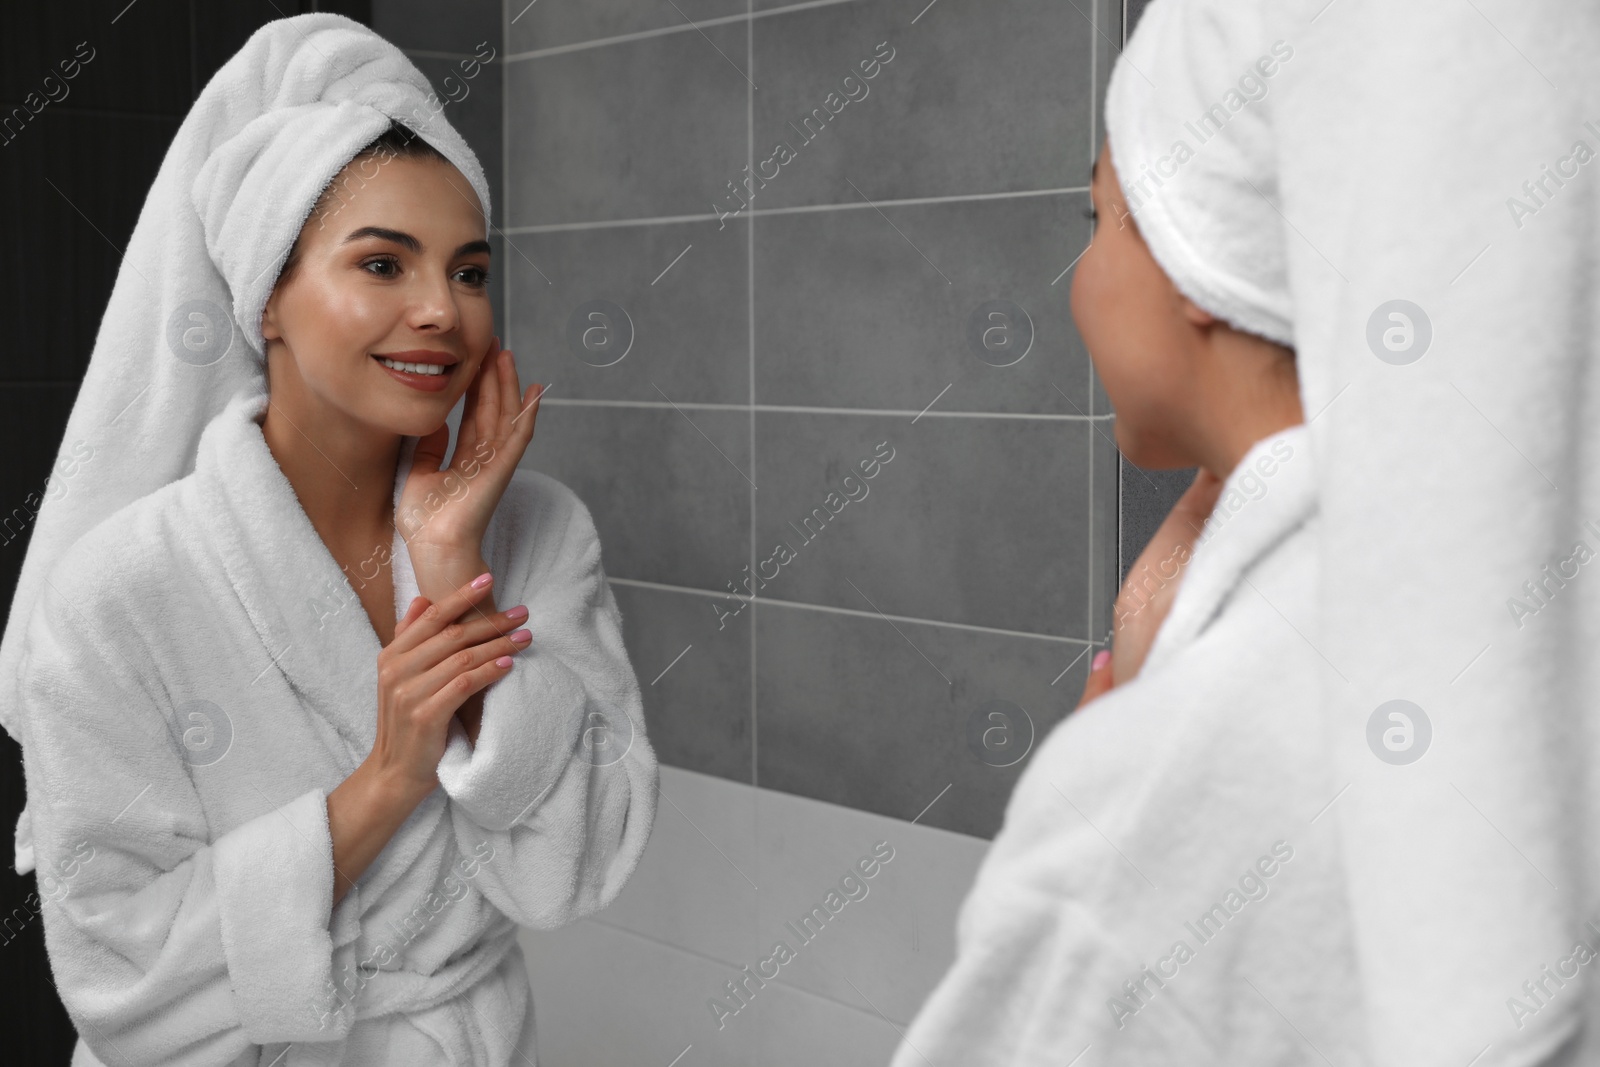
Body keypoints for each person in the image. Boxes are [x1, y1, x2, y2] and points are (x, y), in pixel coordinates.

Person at [3, 15, 656, 1066]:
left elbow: (575, 869)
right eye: (383, 264)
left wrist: (453, 568)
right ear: (267, 300)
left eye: (471, 271)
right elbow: (120, 975)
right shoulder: (120, 590)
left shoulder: (539, 532)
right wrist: (387, 777)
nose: (441, 310)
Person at [884, 39, 1368, 1067]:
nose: (1081, 280)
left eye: (1097, 221)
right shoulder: (1404, 578)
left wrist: (1108, 759)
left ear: (1195, 251)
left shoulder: (1176, 768)